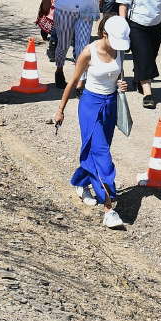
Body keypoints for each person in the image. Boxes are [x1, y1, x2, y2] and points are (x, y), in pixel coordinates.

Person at [53, 15, 131, 230]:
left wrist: (120, 85)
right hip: (90, 105)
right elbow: (72, 82)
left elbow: (116, 76)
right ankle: (109, 208)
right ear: (104, 33)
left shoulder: (120, 49)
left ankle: (80, 182)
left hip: (110, 105)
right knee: (102, 154)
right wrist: (60, 110)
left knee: (96, 150)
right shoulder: (89, 52)